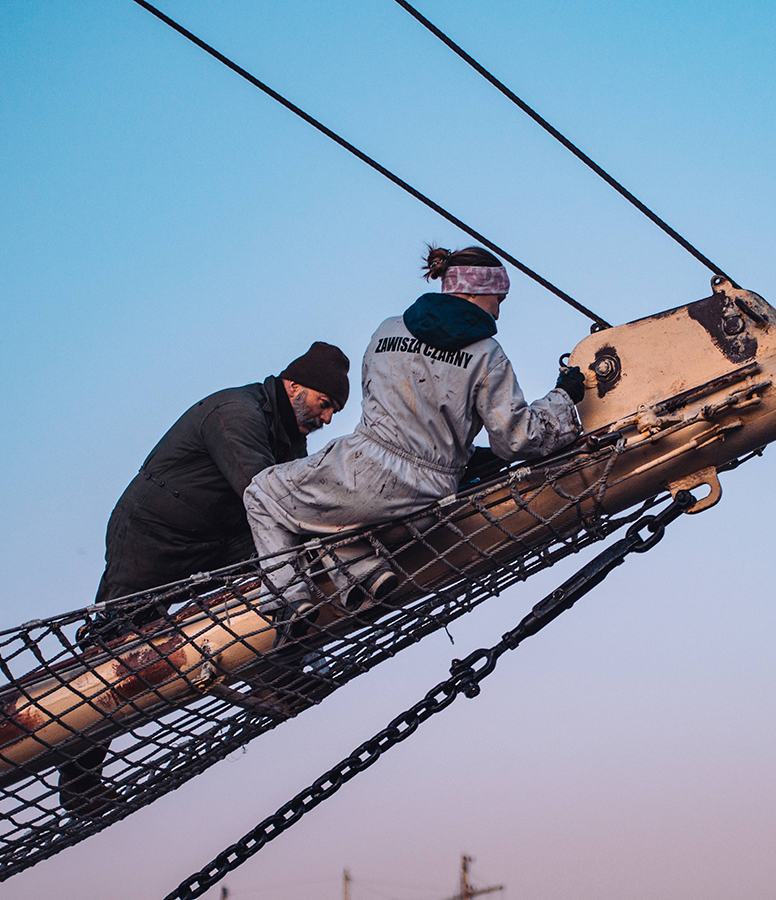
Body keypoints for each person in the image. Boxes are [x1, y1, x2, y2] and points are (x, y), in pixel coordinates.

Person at [60, 341, 349, 813]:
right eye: (325, 403)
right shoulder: (236, 414)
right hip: (153, 538)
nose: (328, 418)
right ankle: (79, 781)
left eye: (334, 409)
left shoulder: (286, 435)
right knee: (115, 653)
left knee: (291, 566)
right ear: (295, 385)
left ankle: (276, 671)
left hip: (216, 538)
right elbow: (264, 494)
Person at [243, 245, 586, 610]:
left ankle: (287, 603)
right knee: (331, 514)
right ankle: (363, 572)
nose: (499, 311)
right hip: (429, 501)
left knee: (264, 493)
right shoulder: (487, 354)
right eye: (498, 299)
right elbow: (517, 438)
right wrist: (563, 398)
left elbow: (378, 405)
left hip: (362, 471)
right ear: (475, 292)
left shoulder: (386, 331)